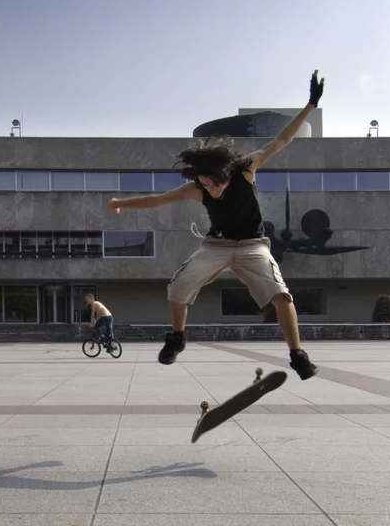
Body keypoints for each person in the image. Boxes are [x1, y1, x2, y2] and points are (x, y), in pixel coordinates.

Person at [106, 70, 325, 381]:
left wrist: (311, 105)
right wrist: (119, 204)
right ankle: (178, 337)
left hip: (252, 246)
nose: (212, 190)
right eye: (206, 185)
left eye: (216, 185)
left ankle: (298, 355)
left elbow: (283, 138)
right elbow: (157, 200)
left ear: (226, 174)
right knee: (179, 285)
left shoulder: (246, 168)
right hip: (216, 246)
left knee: (280, 295)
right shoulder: (196, 187)